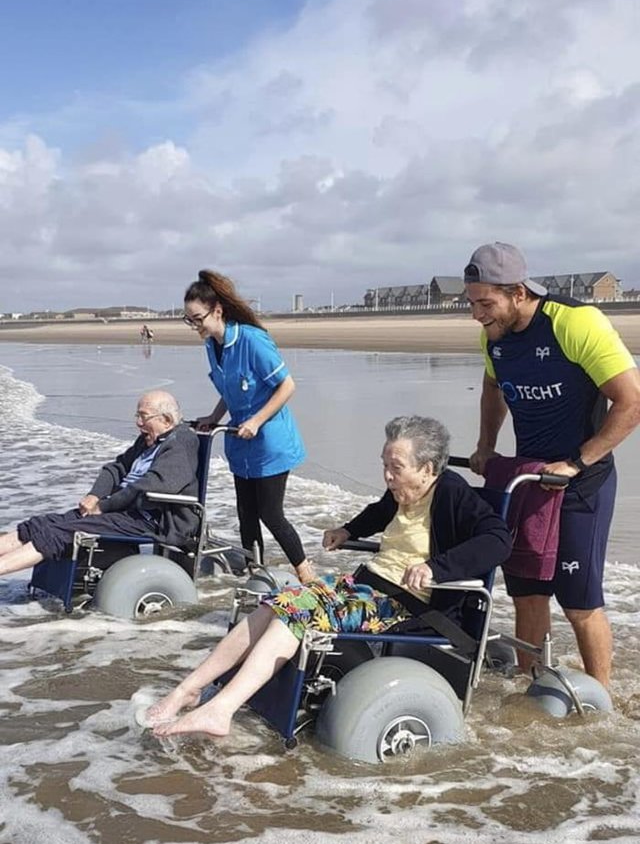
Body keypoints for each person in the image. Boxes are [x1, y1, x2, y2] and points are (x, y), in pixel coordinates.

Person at [146, 415, 512, 739]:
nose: (387, 476)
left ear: (428, 469)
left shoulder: (452, 493)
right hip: (367, 589)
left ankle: (221, 710)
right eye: (384, 465)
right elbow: (379, 511)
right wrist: (348, 530)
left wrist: (436, 568)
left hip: (403, 604)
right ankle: (189, 689)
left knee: (296, 617)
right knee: (273, 606)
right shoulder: (403, 493)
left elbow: (498, 540)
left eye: (396, 467)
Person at [464, 241, 640, 688]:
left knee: (578, 601)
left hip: (583, 482)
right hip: (527, 481)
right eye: (472, 303)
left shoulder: (575, 322)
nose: (477, 315)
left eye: (486, 303)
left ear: (518, 292)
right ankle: (532, 689)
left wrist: (576, 463)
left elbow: (631, 401)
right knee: (526, 594)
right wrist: (486, 444)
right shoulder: (495, 337)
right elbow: (492, 386)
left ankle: (599, 702)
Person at [183, 269, 313, 583]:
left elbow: (287, 386)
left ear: (217, 311)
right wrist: (214, 418)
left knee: (270, 513)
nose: (194, 326)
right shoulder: (211, 345)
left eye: (197, 318)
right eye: (189, 320)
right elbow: (230, 390)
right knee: (246, 514)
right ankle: (254, 575)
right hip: (239, 442)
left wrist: (256, 420)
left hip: (270, 441)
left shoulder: (253, 341)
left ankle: (307, 574)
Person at [0, 391, 199, 578]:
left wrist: (103, 507)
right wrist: (95, 495)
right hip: (124, 511)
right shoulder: (148, 440)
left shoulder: (181, 441)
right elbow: (116, 468)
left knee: (57, 534)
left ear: (165, 420)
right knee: (40, 525)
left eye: (143, 417)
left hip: (151, 518)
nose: (138, 423)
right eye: (137, 416)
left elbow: (153, 485)